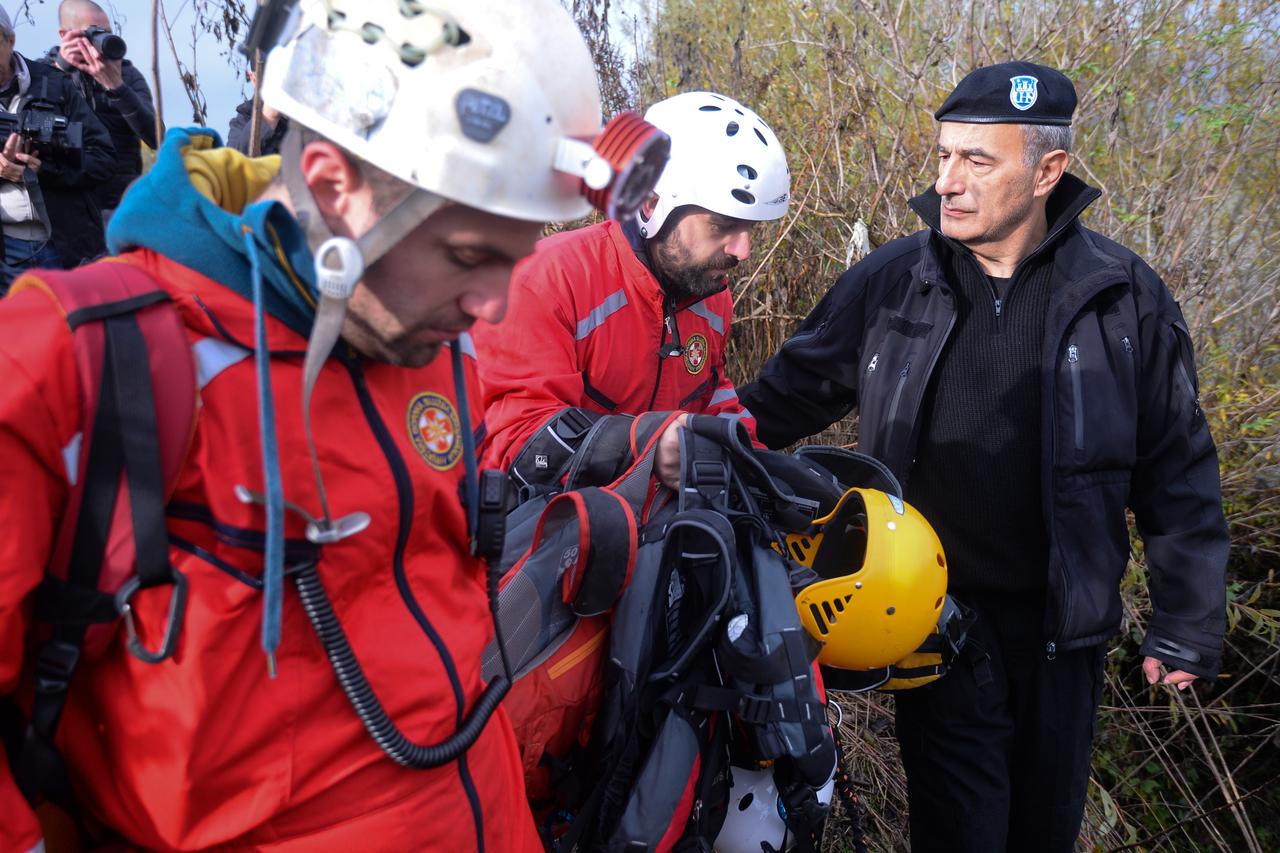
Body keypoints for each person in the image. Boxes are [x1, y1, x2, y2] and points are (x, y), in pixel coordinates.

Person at [0, 1, 626, 850]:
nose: (495, 306)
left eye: (517, 257)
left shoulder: (425, 335)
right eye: (470, 256)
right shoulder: (78, 362)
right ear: (333, 186)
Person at [739, 61, 1229, 853]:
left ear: (1047, 171)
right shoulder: (897, 280)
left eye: (976, 160)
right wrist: (690, 460)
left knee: (1043, 831)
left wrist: (1188, 622)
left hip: (1061, 636)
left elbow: (1178, 466)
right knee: (961, 831)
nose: (948, 182)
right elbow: (775, 403)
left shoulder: (1123, 297)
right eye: (942, 156)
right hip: (932, 625)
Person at [475, 90, 789, 490]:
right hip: (553, 534)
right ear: (651, 205)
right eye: (723, 226)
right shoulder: (546, 281)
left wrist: (764, 469)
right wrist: (644, 446)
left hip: (667, 533)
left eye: (751, 229)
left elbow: (711, 399)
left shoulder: (710, 294)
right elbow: (516, 445)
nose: (742, 250)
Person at [0, 2, 112, 289]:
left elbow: (103, 158)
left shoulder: (54, 83)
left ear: (10, 40)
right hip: (7, 253)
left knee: (74, 330)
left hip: (67, 245)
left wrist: (46, 171)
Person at [45, 0, 158, 221]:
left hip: (121, 206)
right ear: (65, 34)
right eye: (91, 33)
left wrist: (117, 87)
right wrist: (61, 72)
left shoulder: (127, 74)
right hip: (68, 209)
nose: (100, 40)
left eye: (105, 32)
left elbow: (156, 137)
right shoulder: (43, 76)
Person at [228, 68, 289, 157]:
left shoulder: (310, 113)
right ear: (253, 79)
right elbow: (233, 163)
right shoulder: (244, 119)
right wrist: (267, 118)